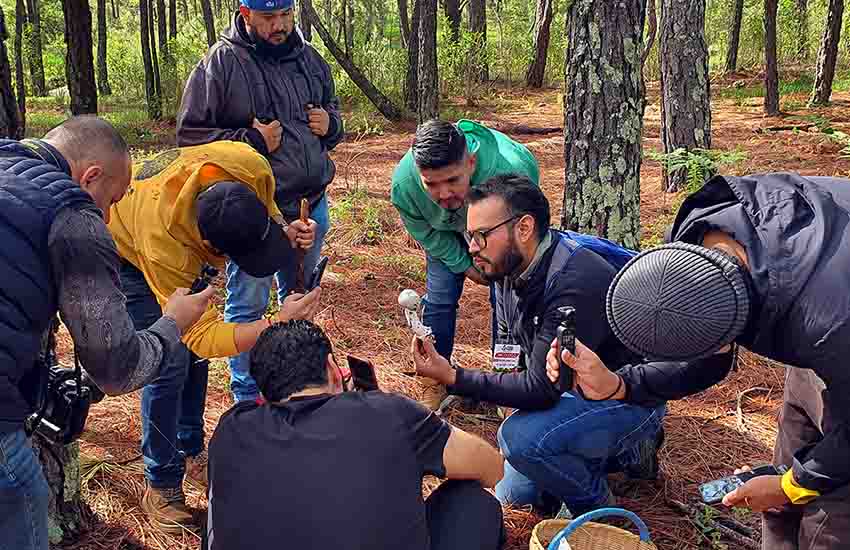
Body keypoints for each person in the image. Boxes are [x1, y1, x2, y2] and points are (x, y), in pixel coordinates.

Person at [551, 172, 850, 550]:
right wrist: (619, 383)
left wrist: (794, 485)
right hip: (823, 344)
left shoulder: (828, 321)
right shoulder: (691, 243)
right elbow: (704, 357)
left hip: (836, 335)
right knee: (778, 495)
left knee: (830, 514)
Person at [0, 116, 213, 550]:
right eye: (112, 199)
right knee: (22, 492)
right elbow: (117, 367)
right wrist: (173, 322)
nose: (111, 215)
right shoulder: (72, 213)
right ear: (91, 176)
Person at [411, 174, 665, 518]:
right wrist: (505, 381)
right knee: (513, 494)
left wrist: (453, 376)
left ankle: (600, 508)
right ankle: (591, 456)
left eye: (481, 235)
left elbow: (541, 390)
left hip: (627, 398)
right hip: (568, 394)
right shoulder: (507, 268)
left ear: (525, 228)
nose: (472, 247)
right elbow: (515, 352)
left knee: (521, 440)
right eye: (469, 236)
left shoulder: (573, 281)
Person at [106, 140, 321, 533]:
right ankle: (162, 482)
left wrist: (285, 233)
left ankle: (191, 449)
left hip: (178, 229)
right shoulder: (164, 243)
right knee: (168, 362)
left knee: (195, 366)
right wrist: (271, 326)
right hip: (131, 252)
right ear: (209, 247)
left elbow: (267, 211)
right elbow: (197, 335)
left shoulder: (246, 164)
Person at [205, 320, 505, 550]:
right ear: (334, 370)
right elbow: (492, 469)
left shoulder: (231, 428)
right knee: (474, 505)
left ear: (263, 390)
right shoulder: (389, 413)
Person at [177, 0, 343, 404]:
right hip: (255, 218)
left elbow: (333, 118)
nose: (279, 25)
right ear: (245, 14)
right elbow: (190, 140)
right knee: (248, 306)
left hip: (311, 204)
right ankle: (248, 397)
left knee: (301, 299)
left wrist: (331, 123)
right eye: (269, 17)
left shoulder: (310, 60)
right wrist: (251, 140)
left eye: (285, 15)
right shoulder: (219, 64)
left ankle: (298, 389)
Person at [391, 120, 540, 409]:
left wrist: (491, 259)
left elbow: (523, 231)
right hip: (444, 229)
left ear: (471, 163)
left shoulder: (512, 174)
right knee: (440, 298)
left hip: (499, 230)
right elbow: (426, 232)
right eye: (431, 184)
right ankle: (437, 379)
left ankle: (506, 380)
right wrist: (464, 264)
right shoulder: (405, 186)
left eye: (452, 180)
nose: (444, 194)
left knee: (507, 299)